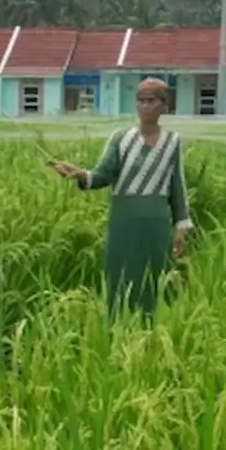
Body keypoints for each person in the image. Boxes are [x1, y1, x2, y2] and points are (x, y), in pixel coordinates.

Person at [50, 77, 193, 318]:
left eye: (152, 101)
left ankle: (151, 325)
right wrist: (80, 175)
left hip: (156, 222)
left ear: (164, 105)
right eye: (141, 101)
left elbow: (177, 185)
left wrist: (181, 226)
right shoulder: (121, 139)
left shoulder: (173, 142)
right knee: (121, 273)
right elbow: (103, 174)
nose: (146, 106)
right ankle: (117, 323)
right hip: (124, 220)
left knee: (154, 274)